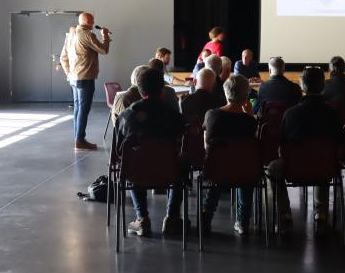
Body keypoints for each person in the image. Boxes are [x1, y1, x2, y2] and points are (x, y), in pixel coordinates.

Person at [267, 67, 343, 235]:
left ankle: (285, 215)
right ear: (323, 86)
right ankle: (321, 213)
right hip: (325, 168)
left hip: (294, 169)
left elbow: (282, 147)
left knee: (273, 168)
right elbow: (338, 145)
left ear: (302, 85)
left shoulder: (291, 114)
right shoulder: (333, 114)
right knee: (325, 157)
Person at [116, 68, 188, 237]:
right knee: (183, 160)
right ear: (162, 89)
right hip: (169, 171)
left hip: (137, 173)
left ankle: (142, 219)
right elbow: (183, 145)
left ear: (140, 91)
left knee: (132, 160)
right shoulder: (174, 117)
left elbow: (120, 151)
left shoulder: (126, 116)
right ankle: (172, 218)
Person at [201, 74, 258, 235]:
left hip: (217, 169)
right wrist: (250, 115)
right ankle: (242, 221)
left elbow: (206, 145)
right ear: (246, 96)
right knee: (246, 175)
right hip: (245, 171)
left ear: (226, 93)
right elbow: (252, 147)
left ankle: (206, 219)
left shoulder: (212, 115)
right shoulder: (249, 122)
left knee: (215, 174)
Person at [59, 12, 110, 150]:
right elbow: (104, 50)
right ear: (88, 22)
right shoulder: (87, 34)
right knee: (83, 110)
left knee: (78, 109)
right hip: (85, 77)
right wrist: (105, 36)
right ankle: (80, 141)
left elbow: (63, 57)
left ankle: (78, 138)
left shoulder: (71, 35)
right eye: (92, 22)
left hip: (74, 78)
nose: (93, 25)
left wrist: (69, 73)